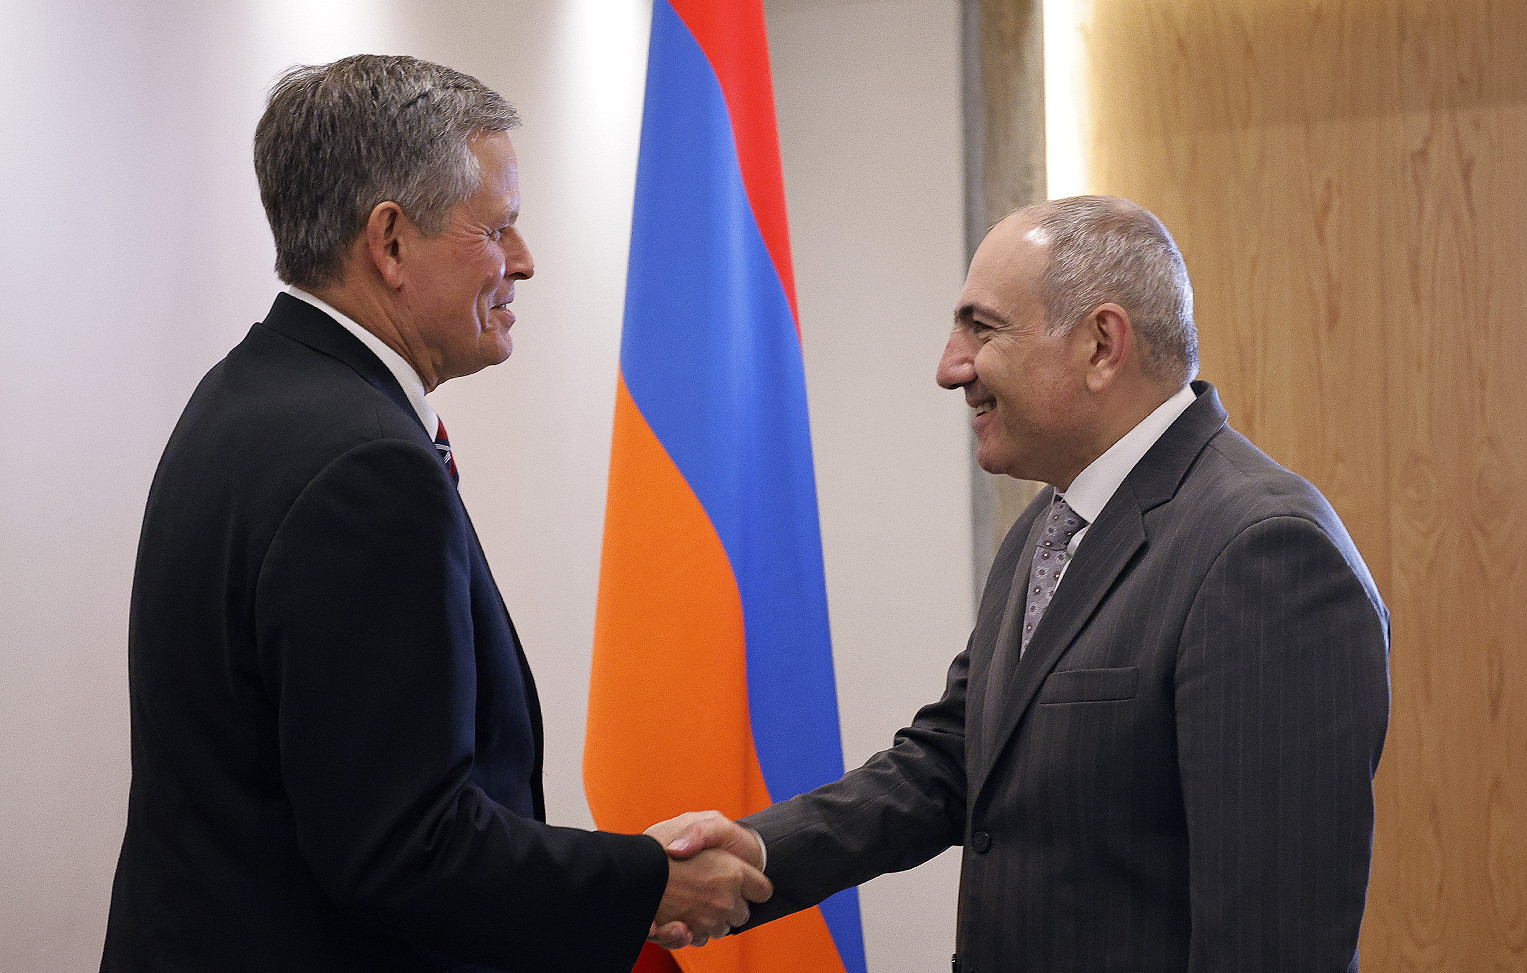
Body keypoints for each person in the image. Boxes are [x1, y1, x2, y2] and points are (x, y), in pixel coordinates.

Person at [101, 54, 767, 973]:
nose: (524, 260)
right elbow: (405, 847)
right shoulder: (366, 467)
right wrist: (643, 883)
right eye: (497, 228)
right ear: (390, 242)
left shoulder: (242, 394)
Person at [654, 196, 1391, 971]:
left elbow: (1274, 944)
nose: (950, 367)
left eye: (982, 328)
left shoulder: (1266, 553)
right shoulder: (1051, 520)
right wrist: (759, 851)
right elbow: (953, 758)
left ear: (1101, 345)